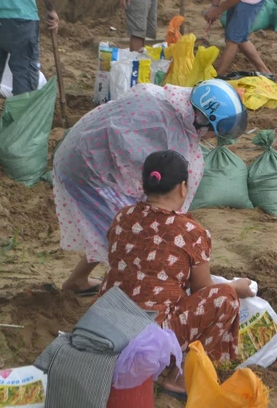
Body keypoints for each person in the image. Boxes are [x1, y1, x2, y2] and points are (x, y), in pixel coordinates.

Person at [54, 80, 247, 296]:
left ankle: (78, 280)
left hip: (82, 152)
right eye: (214, 133)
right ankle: (128, 291)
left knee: (116, 225)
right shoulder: (170, 128)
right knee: (134, 232)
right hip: (87, 167)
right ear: (204, 122)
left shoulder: (165, 100)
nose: (211, 138)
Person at [99, 148, 255, 392]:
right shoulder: (190, 231)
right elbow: (203, 289)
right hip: (148, 339)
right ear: (183, 187)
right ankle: (178, 377)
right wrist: (236, 287)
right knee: (226, 299)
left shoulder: (122, 216)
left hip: (104, 325)